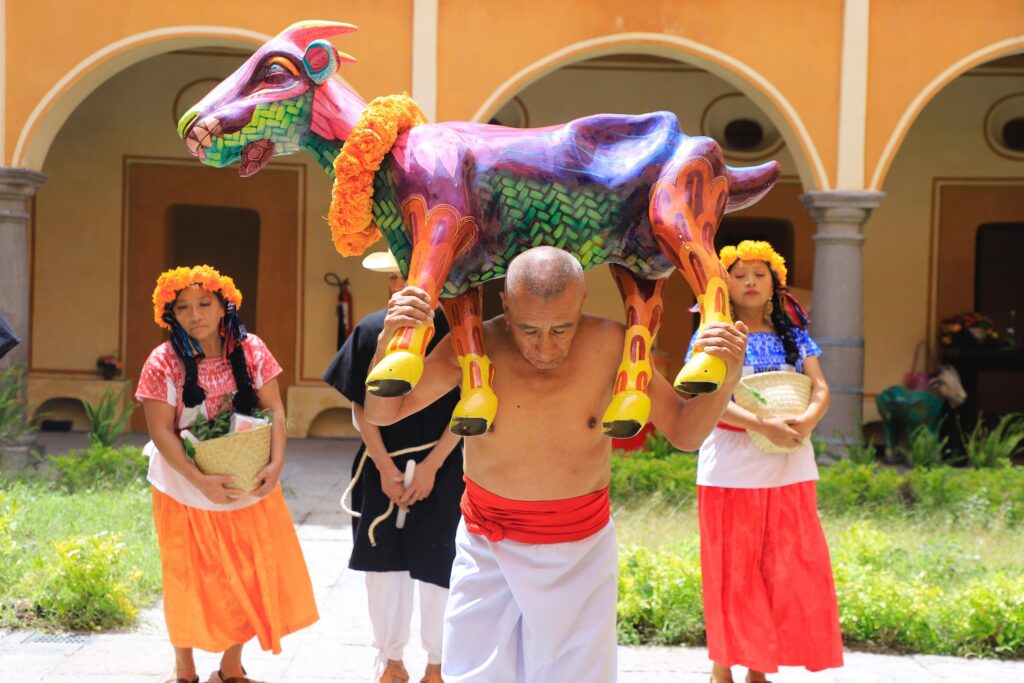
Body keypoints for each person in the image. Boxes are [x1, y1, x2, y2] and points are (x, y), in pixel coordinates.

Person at [364, 246, 749, 683]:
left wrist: (727, 379)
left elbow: (684, 432)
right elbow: (384, 412)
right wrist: (387, 340)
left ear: (582, 301)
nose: (545, 347)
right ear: (505, 306)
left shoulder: (615, 345)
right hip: (487, 544)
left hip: (580, 551)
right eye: (528, 329)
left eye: (561, 329)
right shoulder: (473, 346)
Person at [136, 265, 318, 683]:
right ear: (171, 314)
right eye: (183, 307)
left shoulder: (252, 350)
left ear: (224, 306)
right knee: (186, 575)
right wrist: (199, 480)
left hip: (247, 479)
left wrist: (276, 464)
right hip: (181, 486)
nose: (195, 314)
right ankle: (184, 670)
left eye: (204, 303)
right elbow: (161, 432)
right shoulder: (162, 362)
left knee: (249, 573)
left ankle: (231, 666)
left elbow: (275, 410)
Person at [690, 241, 842, 683]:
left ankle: (759, 670)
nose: (751, 282)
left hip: (790, 467)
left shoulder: (795, 336)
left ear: (776, 283)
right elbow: (704, 397)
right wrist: (763, 424)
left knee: (782, 570)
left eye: (760, 274)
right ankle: (723, 671)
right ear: (725, 284)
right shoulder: (713, 335)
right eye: (739, 275)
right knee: (731, 570)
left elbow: (820, 388)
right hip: (731, 472)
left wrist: (808, 420)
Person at [323, 251, 464, 683]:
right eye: (398, 278)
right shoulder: (369, 331)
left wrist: (432, 466)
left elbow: (468, 409)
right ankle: (391, 662)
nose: (407, 286)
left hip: (443, 465)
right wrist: (385, 468)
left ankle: (438, 666)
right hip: (379, 463)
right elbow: (360, 409)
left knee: (441, 562)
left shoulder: (458, 336)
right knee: (384, 564)